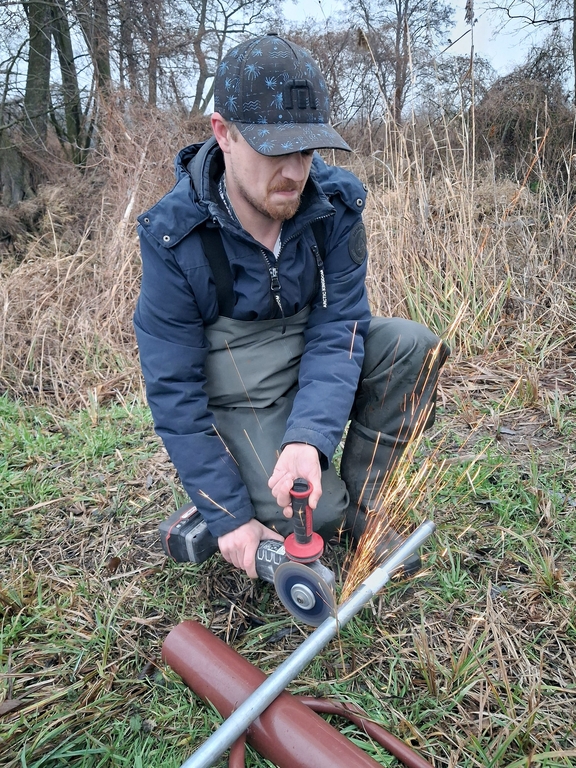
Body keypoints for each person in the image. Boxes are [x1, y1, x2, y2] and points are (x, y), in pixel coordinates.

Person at [134, 33, 448, 579]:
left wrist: (309, 438)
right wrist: (230, 517)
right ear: (223, 133)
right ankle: (240, 502)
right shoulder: (173, 237)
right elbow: (175, 392)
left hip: (309, 348)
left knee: (413, 349)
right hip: (238, 381)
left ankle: (365, 512)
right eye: (276, 150)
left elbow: (340, 326)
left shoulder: (334, 205)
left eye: (306, 150)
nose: (296, 173)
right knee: (313, 517)